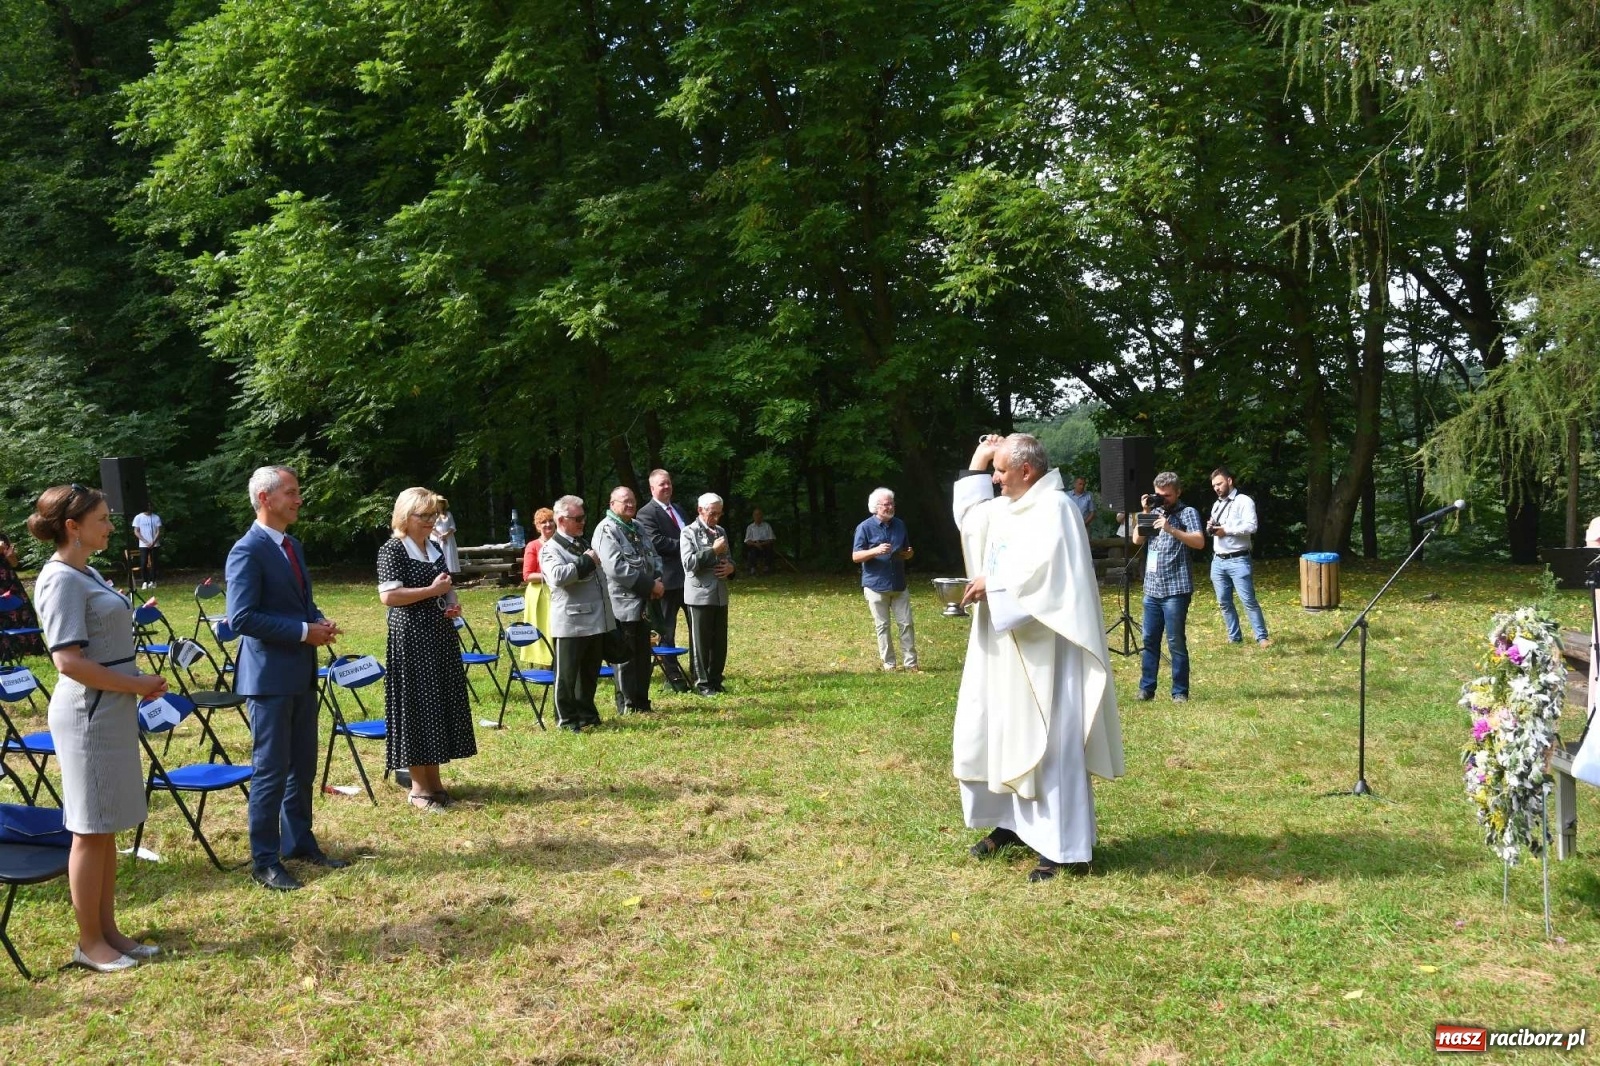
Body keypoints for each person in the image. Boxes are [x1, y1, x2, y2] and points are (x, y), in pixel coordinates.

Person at [954, 435, 1124, 882]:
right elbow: (970, 522)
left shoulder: (1056, 508)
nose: (994, 479)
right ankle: (1012, 824)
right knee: (1004, 733)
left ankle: (1063, 847)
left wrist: (994, 585)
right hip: (1006, 649)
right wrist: (979, 459)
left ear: (1026, 471)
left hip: (1048, 652)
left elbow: (1050, 577)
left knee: (1049, 744)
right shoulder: (1009, 507)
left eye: (1000, 471)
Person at [28, 484, 170, 970]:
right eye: (103, 519)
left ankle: (109, 932)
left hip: (111, 707)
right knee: (89, 828)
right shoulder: (60, 579)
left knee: (105, 825)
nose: (112, 526)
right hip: (88, 713)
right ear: (73, 527)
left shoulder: (87, 572)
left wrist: (135, 682)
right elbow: (68, 662)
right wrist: (134, 684)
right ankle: (89, 943)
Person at [225, 466, 350, 891]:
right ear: (265, 498)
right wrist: (301, 632)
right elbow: (242, 617)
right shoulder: (246, 550)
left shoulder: (292, 545)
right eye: (291, 492)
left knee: (303, 766)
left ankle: (298, 842)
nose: (299, 499)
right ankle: (264, 860)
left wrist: (317, 620)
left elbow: (299, 603)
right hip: (268, 679)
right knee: (271, 770)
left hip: (300, 672)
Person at [377, 488, 477, 813]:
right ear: (406, 516)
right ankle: (418, 790)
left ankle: (435, 784)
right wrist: (432, 591)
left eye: (434, 515)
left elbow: (446, 585)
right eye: (424, 515)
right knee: (418, 708)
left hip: (439, 636)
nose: (431, 521)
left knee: (436, 705)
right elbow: (389, 597)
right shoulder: (393, 549)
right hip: (412, 639)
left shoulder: (432, 546)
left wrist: (451, 602)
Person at [541, 495, 615, 732]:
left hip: (594, 618)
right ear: (562, 520)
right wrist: (586, 562)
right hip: (571, 621)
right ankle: (566, 719)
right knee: (566, 675)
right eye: (578, 518)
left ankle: (587, 713)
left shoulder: (581, 543)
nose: (583, 522)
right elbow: (558, 576)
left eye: (584, 517)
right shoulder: (551, 548)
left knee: (589, 672)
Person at [1130, 471, 1205, 702]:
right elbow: (1137, 540)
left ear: (1178, 492)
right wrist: (1145, 512)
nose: (1162, 499)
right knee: (1149, 640)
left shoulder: (1187, 512)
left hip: (1176, 589)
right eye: (1158, 494)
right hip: (1152, 588)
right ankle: (1146, 689)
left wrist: (1171, 528)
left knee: (1175, 641)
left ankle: (1179, 691)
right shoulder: (1154, 511)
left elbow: (1199, 542)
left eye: (1167, 495)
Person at [594, 486, 665, 714]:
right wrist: (649, 585)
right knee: (625, 656)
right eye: (625, 501)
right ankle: (627, 705)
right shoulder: (606, 530)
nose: (630, 504)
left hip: (644, 602)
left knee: (643, 655)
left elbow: (654, 556)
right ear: (612, 504)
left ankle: (642, 702)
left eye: (632, 500)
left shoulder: (637, 526)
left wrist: (657, 579)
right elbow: (615, 568)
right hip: (621, 603)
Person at [851, 488, 918, 672]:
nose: (890, 507)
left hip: (898, 583)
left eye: (892, 503)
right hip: (875, 584)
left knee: (906, 623)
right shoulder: (864, 527)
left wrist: (909, 554)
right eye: (886, 504)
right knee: (883, 626)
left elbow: (906, 551)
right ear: (876, 507)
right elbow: (855, 556)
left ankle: (911, 663)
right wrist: (875, 551)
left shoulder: (900, 525)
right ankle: (889, 664)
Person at [1207, 467, 1271, 648]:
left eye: (1219, 484)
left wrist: (1226, 530)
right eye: (1214, 486)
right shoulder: (1217, 504)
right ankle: (1234, 637)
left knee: (1248, 600)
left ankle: (1262, 637)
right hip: (1218, 560)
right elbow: (1215, 528)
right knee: (1224, 602)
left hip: (1239, 559)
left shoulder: (1244, 501)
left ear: (1229, 481)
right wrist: (1211, 527)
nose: (1217, 488)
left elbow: (1252, 526)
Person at [681, 492, 735, 695]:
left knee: (719, 642)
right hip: (700, 595)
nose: (716, 518)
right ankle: (701, 683)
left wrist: (731, 568)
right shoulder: (688, 532)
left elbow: (730, 558)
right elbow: (688, 563)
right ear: (700, 510)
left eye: (719, 514)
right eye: (712, 513)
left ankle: (715, 680)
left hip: (720, 594)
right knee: (701, 642)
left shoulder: (720, 531)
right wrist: (712, 551)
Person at [636, 470, 689, 647]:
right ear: (652, 488)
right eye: (662, 484)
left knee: (696, 626)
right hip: (667, 581)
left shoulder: (679, 509)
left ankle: (697, 663)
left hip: (689, 578)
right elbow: (656, 542)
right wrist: (688, 545)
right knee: (666, 630)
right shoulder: (646, 513)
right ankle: (669, 665)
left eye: (668, 483)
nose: (667, 486)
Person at [519, 507, 556, 669]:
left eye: (550, 521)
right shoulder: (533, 546)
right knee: (543, 627)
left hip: (559, 591)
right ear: (537, 526)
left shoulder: (562, 543)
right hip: (540, 593)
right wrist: (553, 576)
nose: (548, 524)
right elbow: (527, 576)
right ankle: (545, 663)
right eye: (543, 522)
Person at [0, 532, 46, 660]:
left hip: (11, 583)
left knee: (26, 613)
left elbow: (14, 564)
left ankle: (29, 648)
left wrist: (11, 557)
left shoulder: (3, 537)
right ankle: (6, 652)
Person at [131, 506, 162, 589]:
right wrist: (145, 541)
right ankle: (145, 581)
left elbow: (159, 531)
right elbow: (136, 531)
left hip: (155, 544)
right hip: (143, 545)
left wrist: (153, 542)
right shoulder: (138, 517)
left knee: (154, 563)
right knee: (143, 563)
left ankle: (153, 581)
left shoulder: (156, 517)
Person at [743, 508, 777, 575]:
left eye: (759, 514)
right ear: (753, 516)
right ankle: (753, 568)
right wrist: (755, 544)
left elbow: (772, 539)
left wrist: (762, 544)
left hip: (765, 544)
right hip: (754, 545)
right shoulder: (750, 527)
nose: (758, 516)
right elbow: (747, 540)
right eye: (756, 515)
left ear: (762, 516)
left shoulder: (767, 526)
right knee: (751, 550)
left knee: (770, 549)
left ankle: (767, 567)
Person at [429, 508, 461, 575]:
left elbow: (452, 526)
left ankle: (450, 575)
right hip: (436, 538)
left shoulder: (448, 514)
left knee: (449, 555)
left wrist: (446, 535)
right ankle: (437, 574)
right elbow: (431, 527)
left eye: (441, 503)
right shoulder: (432, 514)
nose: (439, 505)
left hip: (448, 538)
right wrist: (440, 536)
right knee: (437, 555)